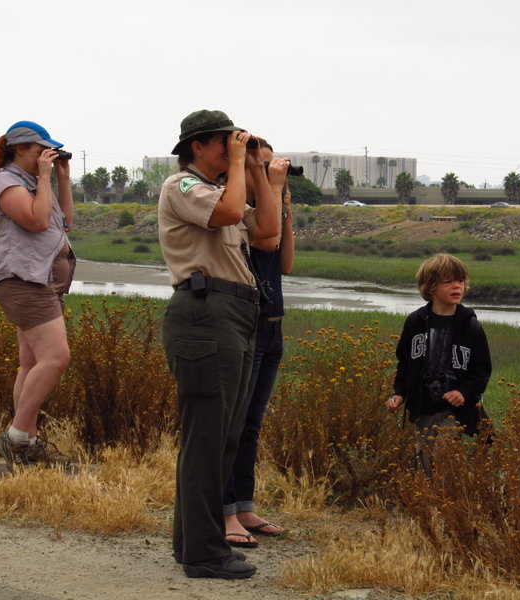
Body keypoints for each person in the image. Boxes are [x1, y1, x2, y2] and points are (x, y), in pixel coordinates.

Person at [158, 110, 284, 580]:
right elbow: (230, 213)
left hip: (232, 315)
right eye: (223, 143)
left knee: (221, 438)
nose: (232, 149)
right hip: (204, 314)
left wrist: (255, 170)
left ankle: (192, 544)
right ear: (197, 147)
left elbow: (268, 232)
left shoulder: (219, 188)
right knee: (207, 439)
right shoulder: (183, 187)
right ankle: (205, 554)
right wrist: (238, 165)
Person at [0, 120, 75, 471]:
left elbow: (64, 222)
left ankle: (27, 442)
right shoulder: (5, 181)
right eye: (40, 151)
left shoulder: (34, 182)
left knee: (32, 363)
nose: (44, 157)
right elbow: (36, 222)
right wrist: (42, 176)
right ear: (20, 149)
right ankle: (16, 436)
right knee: (56, 357)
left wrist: (61, 177)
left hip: (41, 281)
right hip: (23, 280)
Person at [223, 139, 293, 547]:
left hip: (273, 327)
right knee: (232, 424)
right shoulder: (241, 214)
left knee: (251, 424)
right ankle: (226, 510)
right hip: (247, 325)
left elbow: (284, 261)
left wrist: (287, 204)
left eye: (271, 166)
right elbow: (266, 241)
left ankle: (244, 505)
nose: (269, 172)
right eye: (261, 166)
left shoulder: (270, 209)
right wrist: (272, 193)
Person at [387, 253, 492, 473]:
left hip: (455, 411)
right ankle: (429, 506)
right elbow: (404, 364)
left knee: (444, 459)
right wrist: (399, 394)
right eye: (448, 281)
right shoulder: (415, 322)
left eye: (461, 281)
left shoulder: (471, 326)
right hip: (422, 410)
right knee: (424, 466)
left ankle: (448, 504)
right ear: (430, 287)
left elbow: (481, 370)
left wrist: (463, 391)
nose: (457, 287)